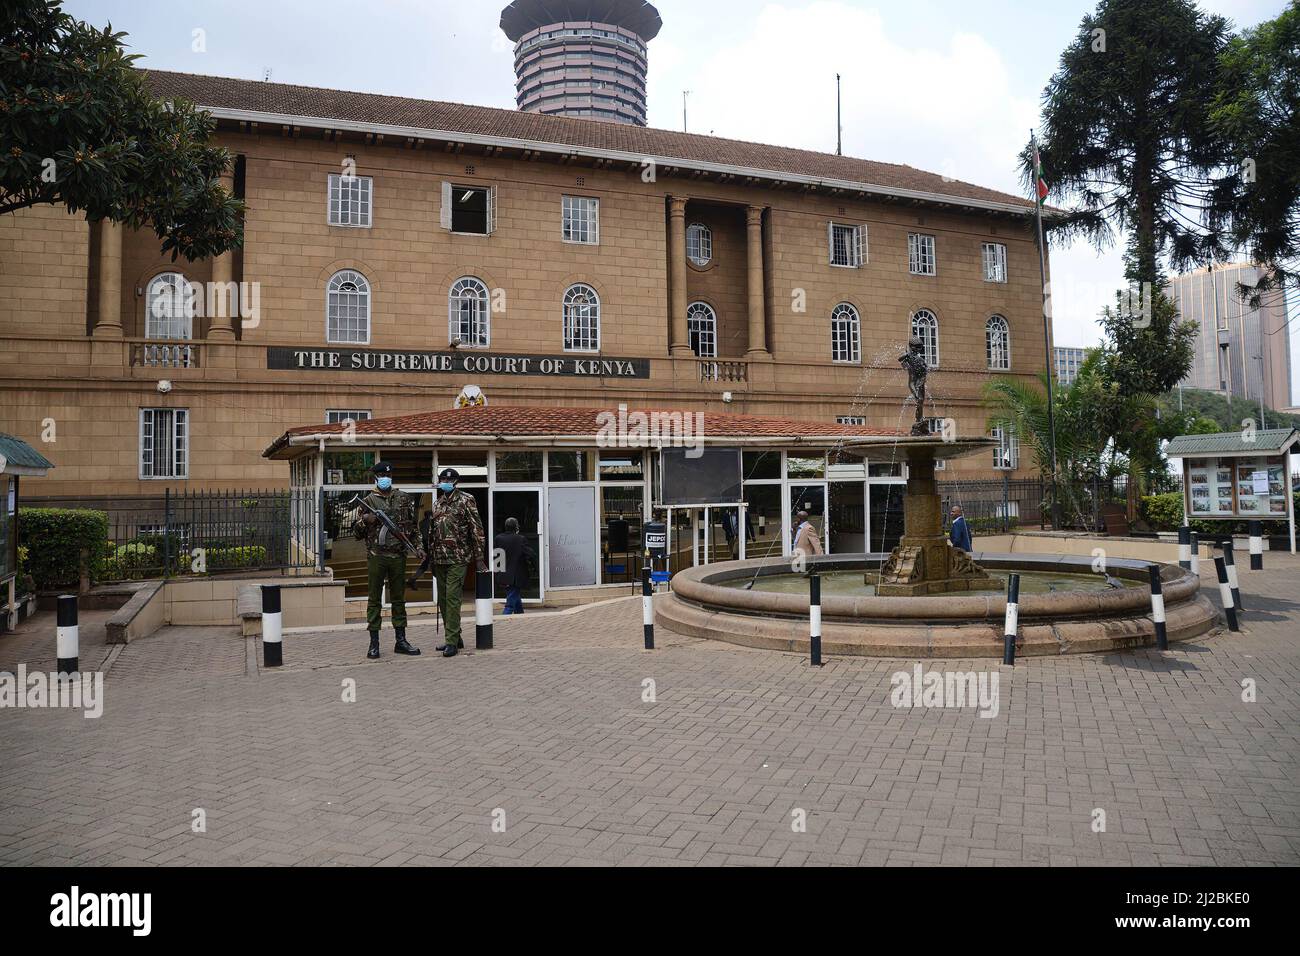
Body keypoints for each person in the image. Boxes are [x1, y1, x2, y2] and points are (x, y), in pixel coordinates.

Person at [352, 461, 422, 660]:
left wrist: (419, 548)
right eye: (382, 475)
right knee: (374, 599)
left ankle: (401, 640)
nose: (386, 478)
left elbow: (413, 528)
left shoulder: (403, 498)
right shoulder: (368, 500)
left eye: (389, 476)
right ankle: (374, 643)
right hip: (377, 556)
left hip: (398, 556)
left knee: (399, 599)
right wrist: (365, 520)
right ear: (376, 477)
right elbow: (356, 533)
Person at [428, 467, 487, 657]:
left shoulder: (466, 500)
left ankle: (451, 642)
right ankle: (455, 636)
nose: (444, 483)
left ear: (455, 482)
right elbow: (432, 533)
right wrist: (430, 557)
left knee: (453, 598)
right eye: (442, 480)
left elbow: (476, 530)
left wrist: (479, 558)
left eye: (448, 480)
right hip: (439, 558)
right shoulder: (437, 504)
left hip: (458, 558)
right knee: (444, 600)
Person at [494, 517, 533, 615]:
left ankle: (520, 615)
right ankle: (504, 617)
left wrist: (497, 573)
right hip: (516, 575)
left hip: (503, 573)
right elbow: (531, 554)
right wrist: (533, 566)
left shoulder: (498, 538)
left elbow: (496, 556)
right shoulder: (520, 539)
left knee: (514, 595)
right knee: (510, 604)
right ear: (516, 527)